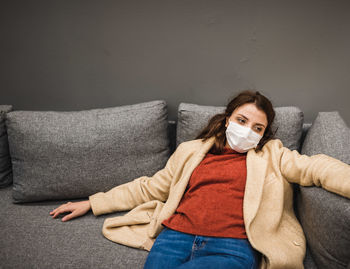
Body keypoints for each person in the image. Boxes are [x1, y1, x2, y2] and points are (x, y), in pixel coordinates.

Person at [49, 90, 350, 269]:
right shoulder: (191, 151)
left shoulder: (272, 154)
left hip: (232, 245)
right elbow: (151, 187)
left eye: (258, 128)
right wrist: (92, 202)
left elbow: (317, 168)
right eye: (242, 121)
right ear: (227, 119)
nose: (248, 131)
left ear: (264, 134)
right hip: (174, 238)